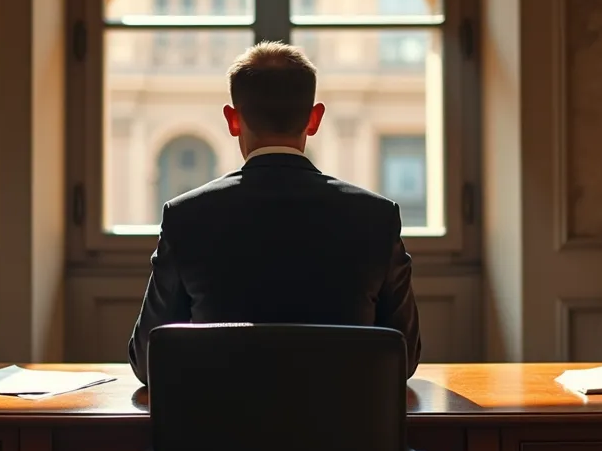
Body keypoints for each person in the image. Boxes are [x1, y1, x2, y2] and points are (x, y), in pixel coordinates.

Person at [127, 41, 422, 385]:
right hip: (342, 436)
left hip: (218, 436)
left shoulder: (186, 216)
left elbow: (147, 361)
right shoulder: (377, 217)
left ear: (233, 120)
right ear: (315, 119)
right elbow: (406, 357)